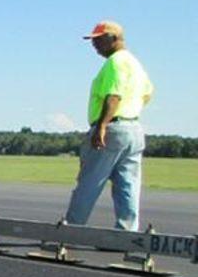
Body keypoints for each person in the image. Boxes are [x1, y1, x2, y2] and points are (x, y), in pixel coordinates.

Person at [65, 20, 154, 231]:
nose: (94, 45)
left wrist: (102, 126)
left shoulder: (115, 62)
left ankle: (71, 231)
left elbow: (113, 96)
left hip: (112, 128)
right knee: (128, 185)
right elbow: (148, 93)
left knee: (89, 182)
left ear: (112, 38)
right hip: (133, 129)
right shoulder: (136, 64)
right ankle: (125, 234)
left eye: (98, 40)